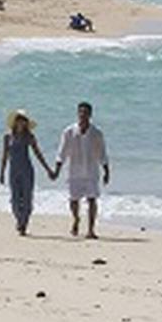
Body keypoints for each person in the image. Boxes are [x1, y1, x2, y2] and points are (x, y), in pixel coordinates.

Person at [52, 99, 110, 238]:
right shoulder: (69, 132)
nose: (83, 115)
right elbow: (62, 152)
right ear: (77, 113)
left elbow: (102, 152)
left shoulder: (96, 133)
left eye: (86, 112)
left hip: (91, 171)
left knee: (92, 200)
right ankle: (76, 219)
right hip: (74, 171)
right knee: (73, 200)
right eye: (81, 112)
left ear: (90, 114)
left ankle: (91, 230)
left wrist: (107, 171)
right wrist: (56, 171)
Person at [0, 110, 53, 235]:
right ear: (15, 121)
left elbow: (38, 154)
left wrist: (48, 169)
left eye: (23, 120)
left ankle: (24, 224)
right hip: (13, 171)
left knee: (27, 198)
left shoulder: (29, 137)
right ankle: (19, 219)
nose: (21, 122)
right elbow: (4, 156)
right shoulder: (7, 137)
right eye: (19, 119)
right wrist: (1, 172)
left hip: (27, 170)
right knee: (15, 199)